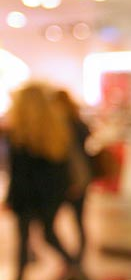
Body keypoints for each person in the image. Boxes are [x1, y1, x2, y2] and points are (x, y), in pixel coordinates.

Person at [3, 83, 93, 280]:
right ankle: (77, 270)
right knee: (48, 233)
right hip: (51, 192)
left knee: (26, 237)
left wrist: (10, 198)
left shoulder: (20, 131)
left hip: (28, 194)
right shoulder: (56, 126)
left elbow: (19, 172)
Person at [53, 89, 93, 266]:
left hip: (72, 179)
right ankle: (76, 263)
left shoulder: (65, 125)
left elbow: (73, 158)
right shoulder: (78, 123)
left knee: (73, 222)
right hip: (78, 178)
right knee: (79, 221)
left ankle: (76, 263)